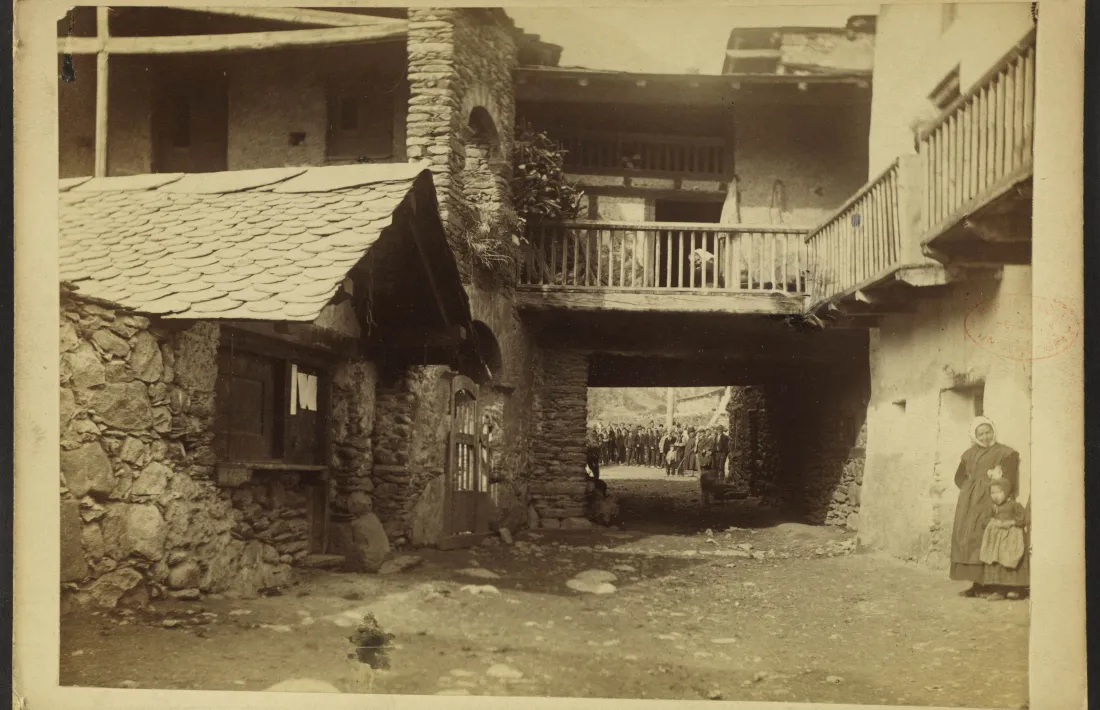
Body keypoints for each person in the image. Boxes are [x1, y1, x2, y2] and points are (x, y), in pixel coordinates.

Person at [950, 416, 1022, 598]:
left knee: (988, 538)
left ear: (993, 431)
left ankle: (995, 584)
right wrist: (970, 490)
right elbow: (959, 477)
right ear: (975, 436)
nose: (985, 437)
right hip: (969, 505)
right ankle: (978, 584)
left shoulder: (1005, 453)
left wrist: (991, 489)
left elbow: (1009, 481)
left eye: (987, 432)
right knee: (969, 539)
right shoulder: (969, 454)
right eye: (980, 434)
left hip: (991, 501)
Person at [979, 478, 1030, 600]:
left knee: (1010, 558)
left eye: (999, 492)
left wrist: (1012, 522)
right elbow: (984, 520)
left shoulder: (1014, 505)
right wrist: (992, 522)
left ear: (1006, 492)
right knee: (997, 561)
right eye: (993, 493)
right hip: (997, 539)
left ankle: (1015, 589)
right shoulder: (992, 507)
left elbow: (1023, 518)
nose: (995, 496)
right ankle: (999, 590)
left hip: (1011, 537)